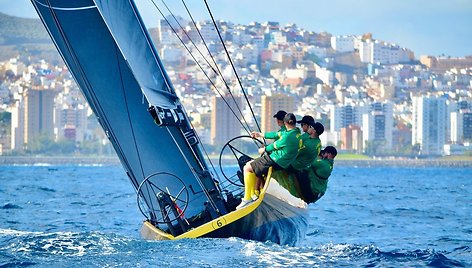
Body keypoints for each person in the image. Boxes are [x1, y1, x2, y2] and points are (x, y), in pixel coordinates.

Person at [236, 113, 301, 209]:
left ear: (285, 123)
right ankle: (254, 193)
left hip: (276, 160)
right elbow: (276, 134)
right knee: (253, 165)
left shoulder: (287, 137)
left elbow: (273, 146)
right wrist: (260, 135)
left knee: (247, 168)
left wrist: (264, 149)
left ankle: (247, 199)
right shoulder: (296, 132)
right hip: (283, 161)